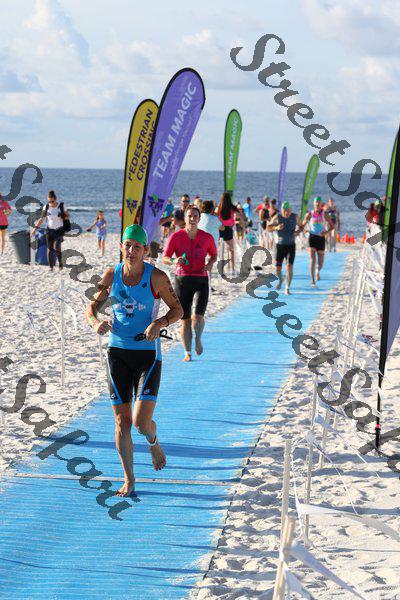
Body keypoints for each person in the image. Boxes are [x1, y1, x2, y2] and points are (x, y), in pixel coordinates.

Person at [85, 224, 183, 497]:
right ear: (121, 247)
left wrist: (160, 323)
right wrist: (95, 322)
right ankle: (129, 479)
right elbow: (91, 307)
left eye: (137, 247)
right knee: (122, 422)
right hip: (117, 353)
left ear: (145, 250)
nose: (131, 251)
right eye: (127, 245)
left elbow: (178, 310)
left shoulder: (157, 278)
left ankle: (153, 441)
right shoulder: (111, 275)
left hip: (147, 355)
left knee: (140, 422)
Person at [163, 205, 217, 362]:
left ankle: (198, 338)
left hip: (201, 279)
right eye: (190, 216)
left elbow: (214, 255)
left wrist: (210, 264)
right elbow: (165, 257)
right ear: (185, 219)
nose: (192, 219)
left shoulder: (207, 237)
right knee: (185, 319)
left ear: (199, 219)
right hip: (182, 280)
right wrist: (174, 261)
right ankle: (187, 352)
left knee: (198, 317)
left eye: (195, 216)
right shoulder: (176, 237)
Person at [267, 201, 304, 294]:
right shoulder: (277, 217)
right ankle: (281, 279)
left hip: (291, 245)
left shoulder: (295, 216)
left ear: (290, 210)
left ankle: (287, 287)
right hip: (280, 246)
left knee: (289, 266)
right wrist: (276, 228)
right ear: (282, 210)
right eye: (284, 210)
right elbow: (268, 228)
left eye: (288, 210)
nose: (286, 212)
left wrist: (297, 232)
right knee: (278, 269)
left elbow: (302, 226)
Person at [31, 190, 69, 271]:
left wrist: (62, 215)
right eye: (49, 201)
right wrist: (35, 228)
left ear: (55, 199)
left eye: (52, 201)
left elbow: (67, 216)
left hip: (59, 230)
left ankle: (60, 264)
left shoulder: (61, 206)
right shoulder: (46, 207)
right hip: (49, 230)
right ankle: (51, 267)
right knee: (50, 249)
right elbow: (42, 219)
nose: (50, 203)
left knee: (57, 247)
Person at [303, 196, 334, 286]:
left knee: (321, 263)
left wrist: (325, 232)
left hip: (321, 238)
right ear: (313, 204)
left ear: (321, 204)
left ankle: (317, 271)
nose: (317, 204)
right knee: (312, 260)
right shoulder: (310, 214)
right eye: (315, 202)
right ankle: (312, 279)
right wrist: (305, 230)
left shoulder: (325, 214)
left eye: (318, 203)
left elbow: (332, 227)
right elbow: (302, 225)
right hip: (312, 237)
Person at [215, 192, 244, 274]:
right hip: (228, 229)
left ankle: (221, 269)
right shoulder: (232, 208)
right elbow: (240, 216)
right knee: (231, 250)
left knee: (220, 250)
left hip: (219, 228)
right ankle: (232, 269)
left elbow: (214, 217)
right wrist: (242, 225)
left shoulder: (218, 208)